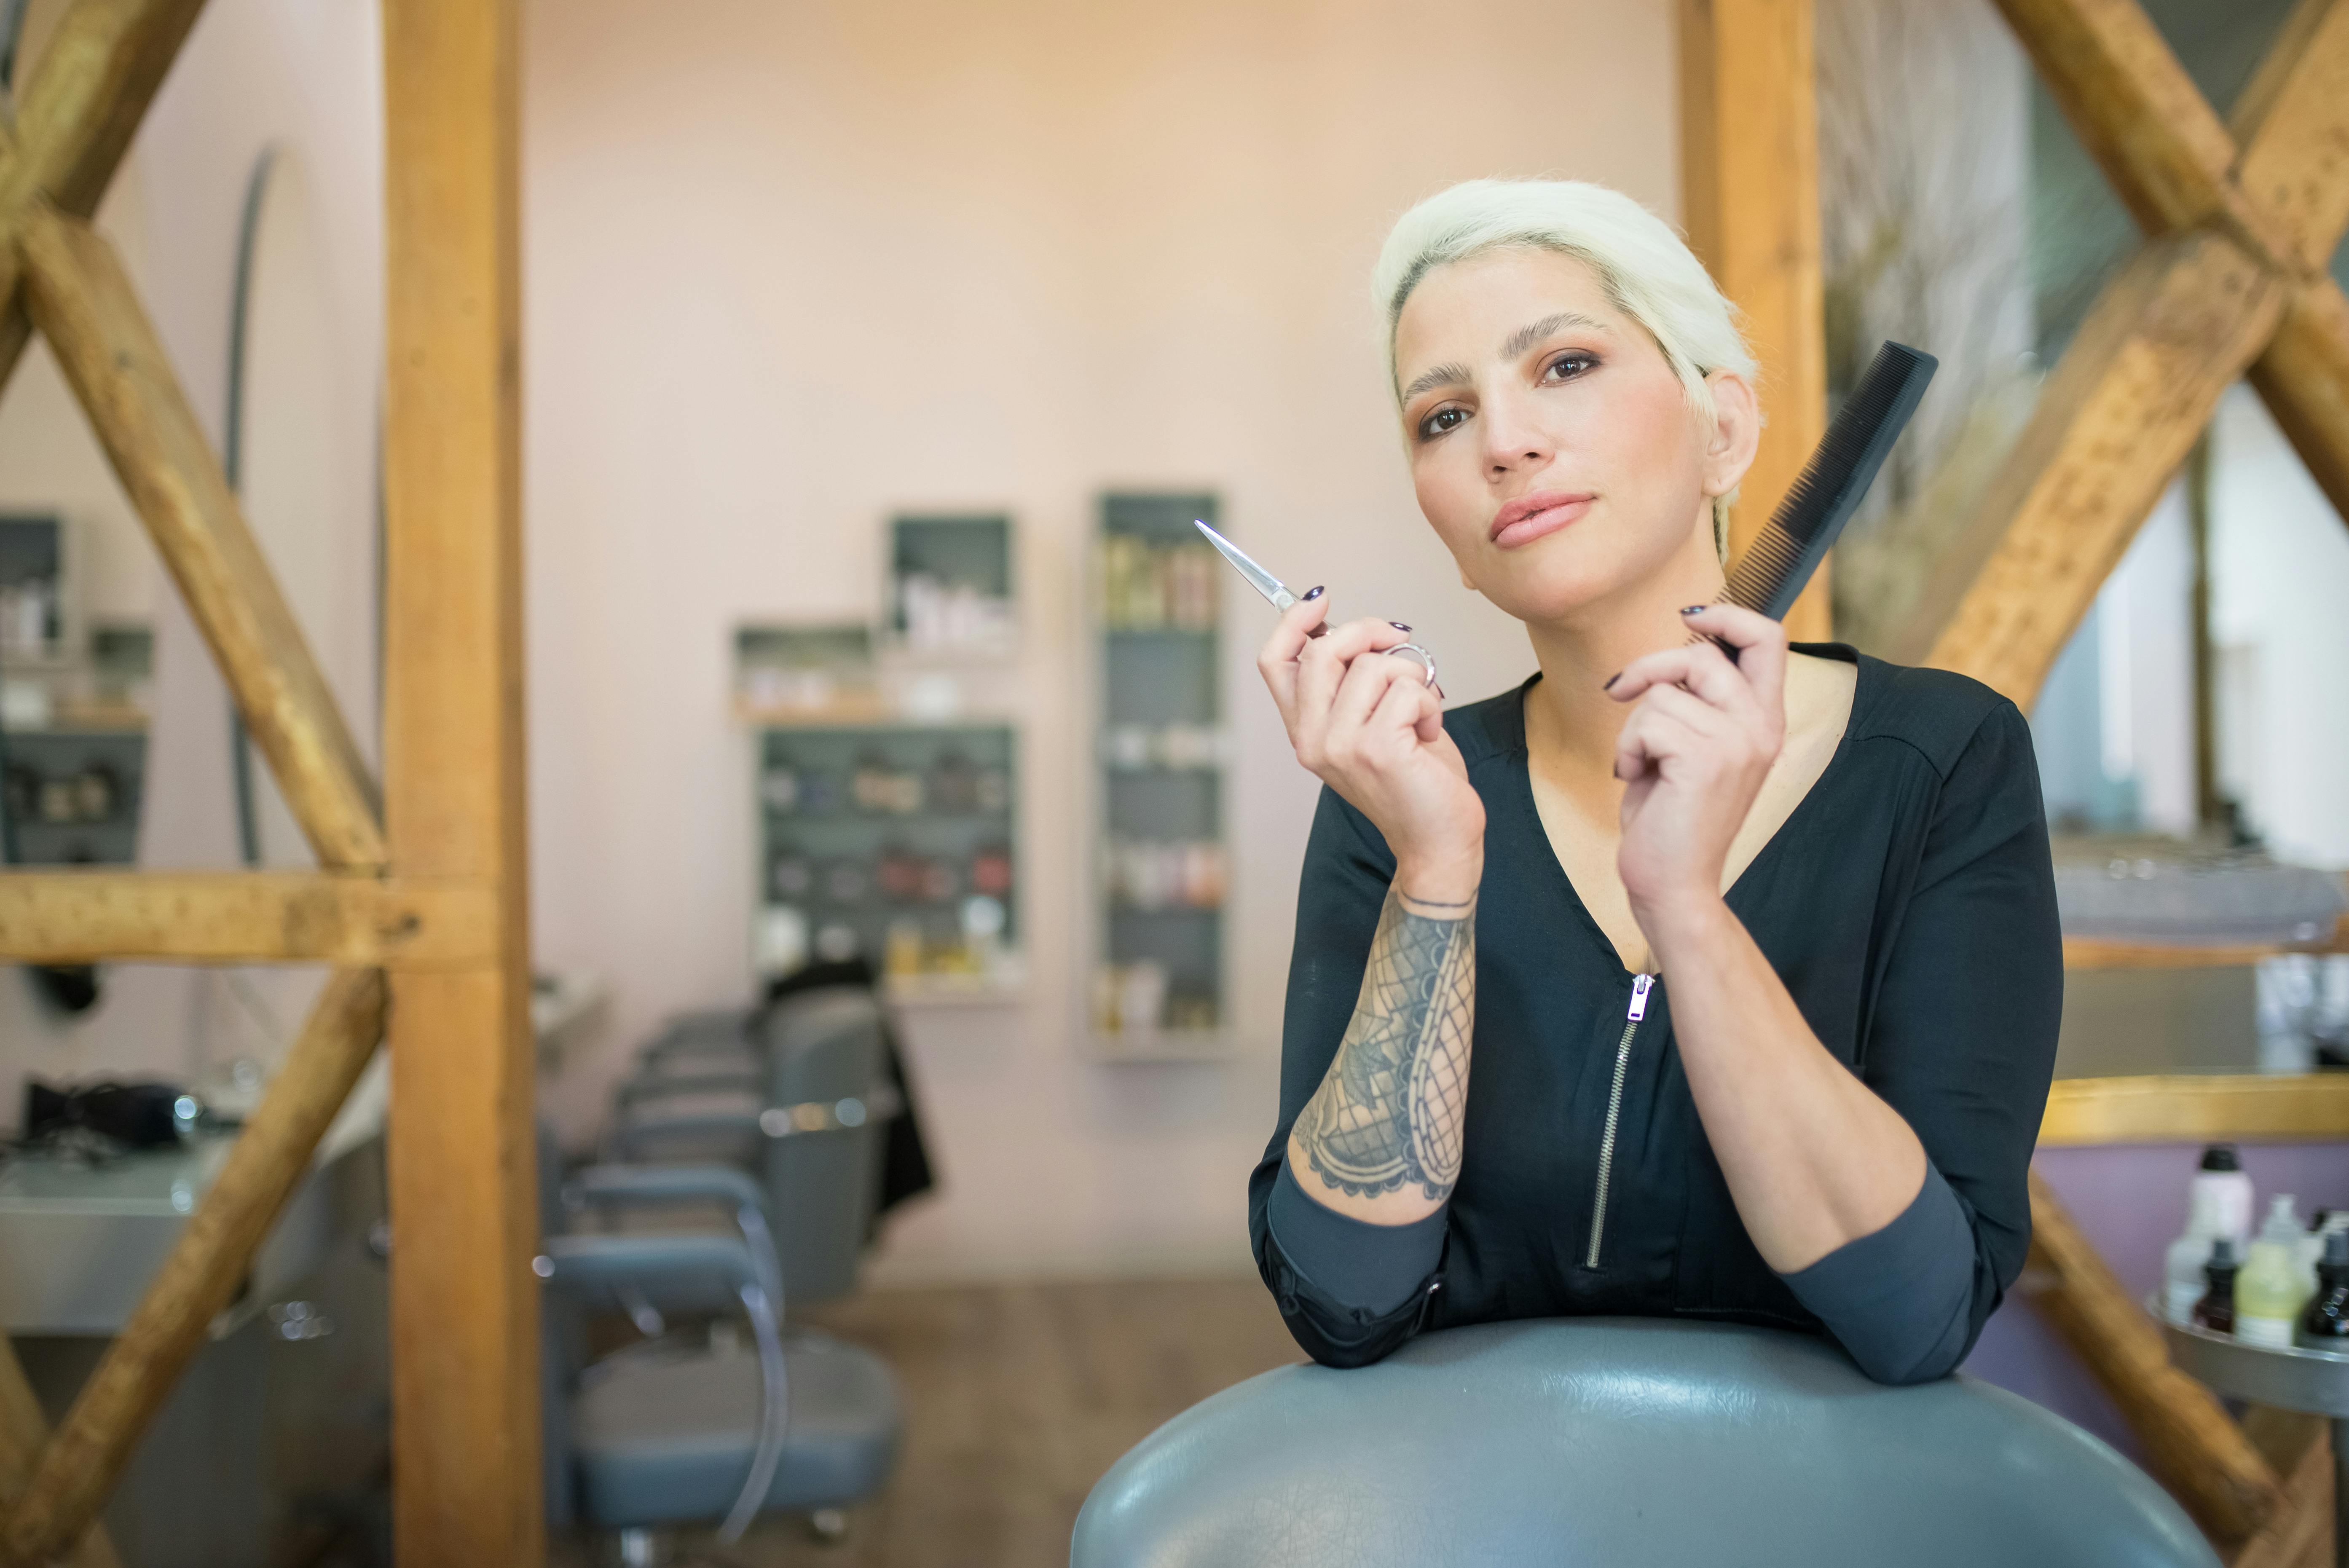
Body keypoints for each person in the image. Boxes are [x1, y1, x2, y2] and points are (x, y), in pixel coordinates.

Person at [1247, 177, 2060, 1385]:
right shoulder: (1404, 791)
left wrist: (1684, 902)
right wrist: (1437, 870)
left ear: (1722, 430)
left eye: (1564, 365)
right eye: (1442, 416)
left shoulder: (1942, 763)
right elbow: (1345, 1305)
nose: (1504, 441)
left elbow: (1918, 1313)